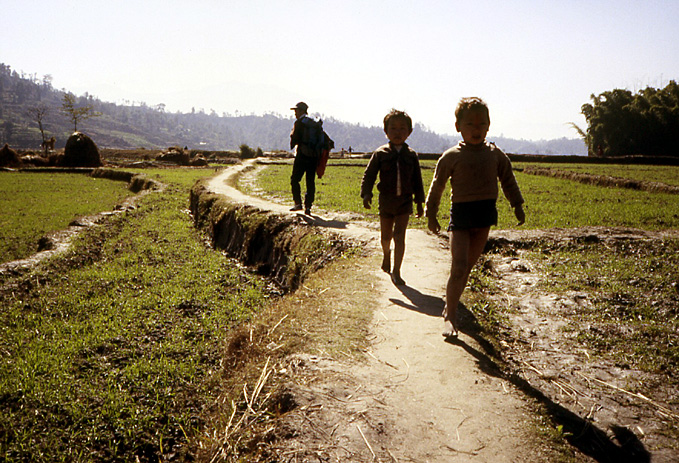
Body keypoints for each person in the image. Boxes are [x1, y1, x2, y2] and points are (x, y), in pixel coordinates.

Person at [425, 97, 525, 339]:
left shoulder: (496, 155)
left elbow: (508, 180)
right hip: (461, 216)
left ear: (489, 126)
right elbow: (437, 186)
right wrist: (431, 213)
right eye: (470, 124)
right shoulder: (451, 156)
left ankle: (450, 305)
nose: (476, 129)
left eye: (481, 124)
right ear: (458, 126)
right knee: (458, 267)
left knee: (468, 267)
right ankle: (450, 316)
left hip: (484, 216)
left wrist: (517, 204)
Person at [361, 109, 425, 286]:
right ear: (386, 131)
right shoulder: (380, 153)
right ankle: (386, 254)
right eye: (393, 128)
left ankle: (397, 271)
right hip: (386, 201)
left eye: (402, 128)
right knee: (386, 236)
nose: (398, 132)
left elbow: (417, 180)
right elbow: (369, 175)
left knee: (399, 236)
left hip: (404, 202)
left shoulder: (411, 155)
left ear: (409, 132)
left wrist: (420, 202)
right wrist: (366, 194)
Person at [290, 101, 320, 215]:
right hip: (314, 156)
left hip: (302, 154)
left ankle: (298, 203)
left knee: (295, 179)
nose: (295, 113)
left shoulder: (299, 123)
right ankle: (308, 206)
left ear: (302, 111)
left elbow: (294, 138)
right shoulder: (314, 123)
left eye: (296, 110)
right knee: (310, 181)